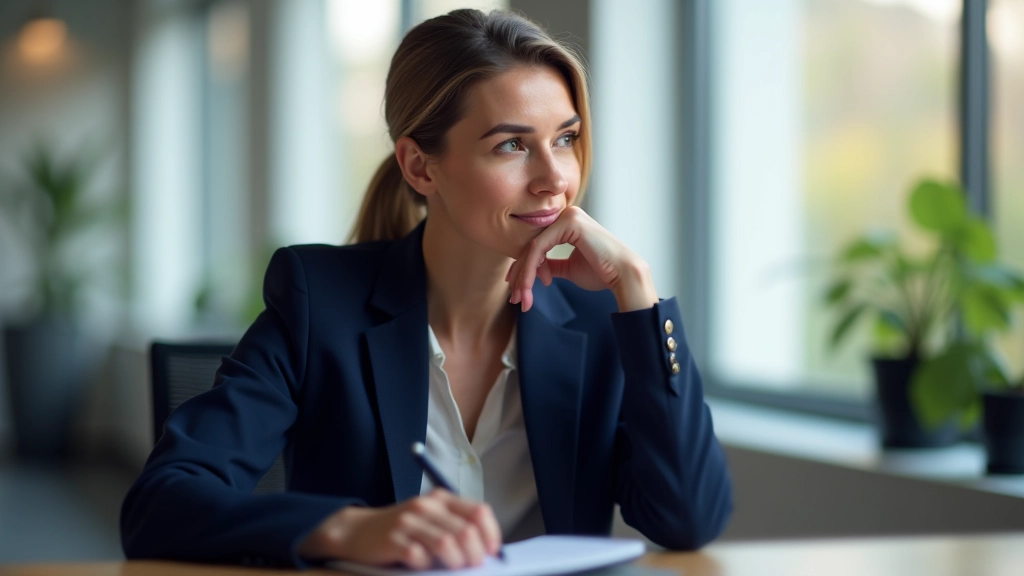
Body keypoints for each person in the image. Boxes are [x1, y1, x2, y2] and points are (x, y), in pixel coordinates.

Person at [120, 8, 732, 571]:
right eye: (512, 145)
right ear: (420, 166)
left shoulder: (607, 322)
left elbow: (688, 520)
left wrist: (642, 298)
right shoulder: (320, 305)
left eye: (566, 139)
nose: (554, 180)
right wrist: (347, 530)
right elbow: (161, 504)